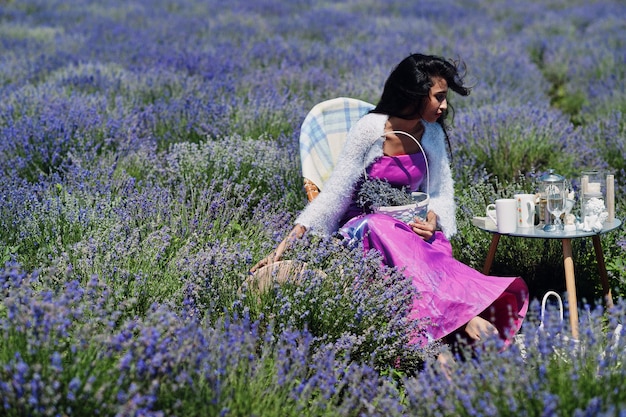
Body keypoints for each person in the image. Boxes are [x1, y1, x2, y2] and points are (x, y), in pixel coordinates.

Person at [251, 53, 528, 351]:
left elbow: (440, 191)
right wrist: (284, 246)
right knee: (379, 226)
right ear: (415, 94)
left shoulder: (431, 133)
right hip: (364, 228)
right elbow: (335, 193)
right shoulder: (370, 130)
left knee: (433, 245)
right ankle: (468, 319)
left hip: (409, 224)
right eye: (439, 97)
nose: (444, 106)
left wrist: (433, 219)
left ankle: (450, 335)